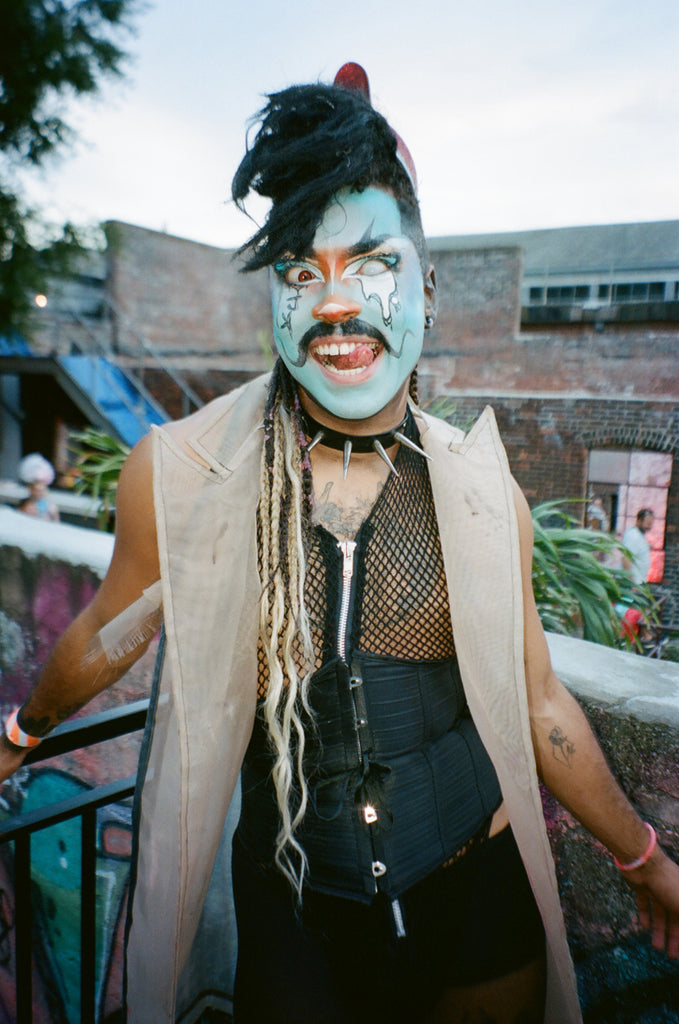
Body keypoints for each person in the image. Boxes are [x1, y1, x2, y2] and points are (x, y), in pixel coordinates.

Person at [1, 67, 678, 1024]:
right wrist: (16, 740)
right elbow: (113, 623)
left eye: (370, 265)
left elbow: (537, 702)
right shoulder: (183, 472)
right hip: (296, 918)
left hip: (476, 904)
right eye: (299, 272)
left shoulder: (483, 494)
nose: (333, 304)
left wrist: (645, 862)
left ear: (426, 288)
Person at [16, 453, 60, 522]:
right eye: (36, 490)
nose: (39, 493)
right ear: (30, 489)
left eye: (42, 490)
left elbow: (57, 525)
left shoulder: (52, 508)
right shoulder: (27, 507)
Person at [622, 507, 654, 585]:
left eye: (650, 524)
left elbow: (637, 551)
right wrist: (632, 582)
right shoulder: (633, 536)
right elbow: (626, 559)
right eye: (647, 523)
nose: (649, 527)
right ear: (639, 521)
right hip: (631, 583)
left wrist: (647, 547)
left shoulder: (639, 534)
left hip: (639, 581)